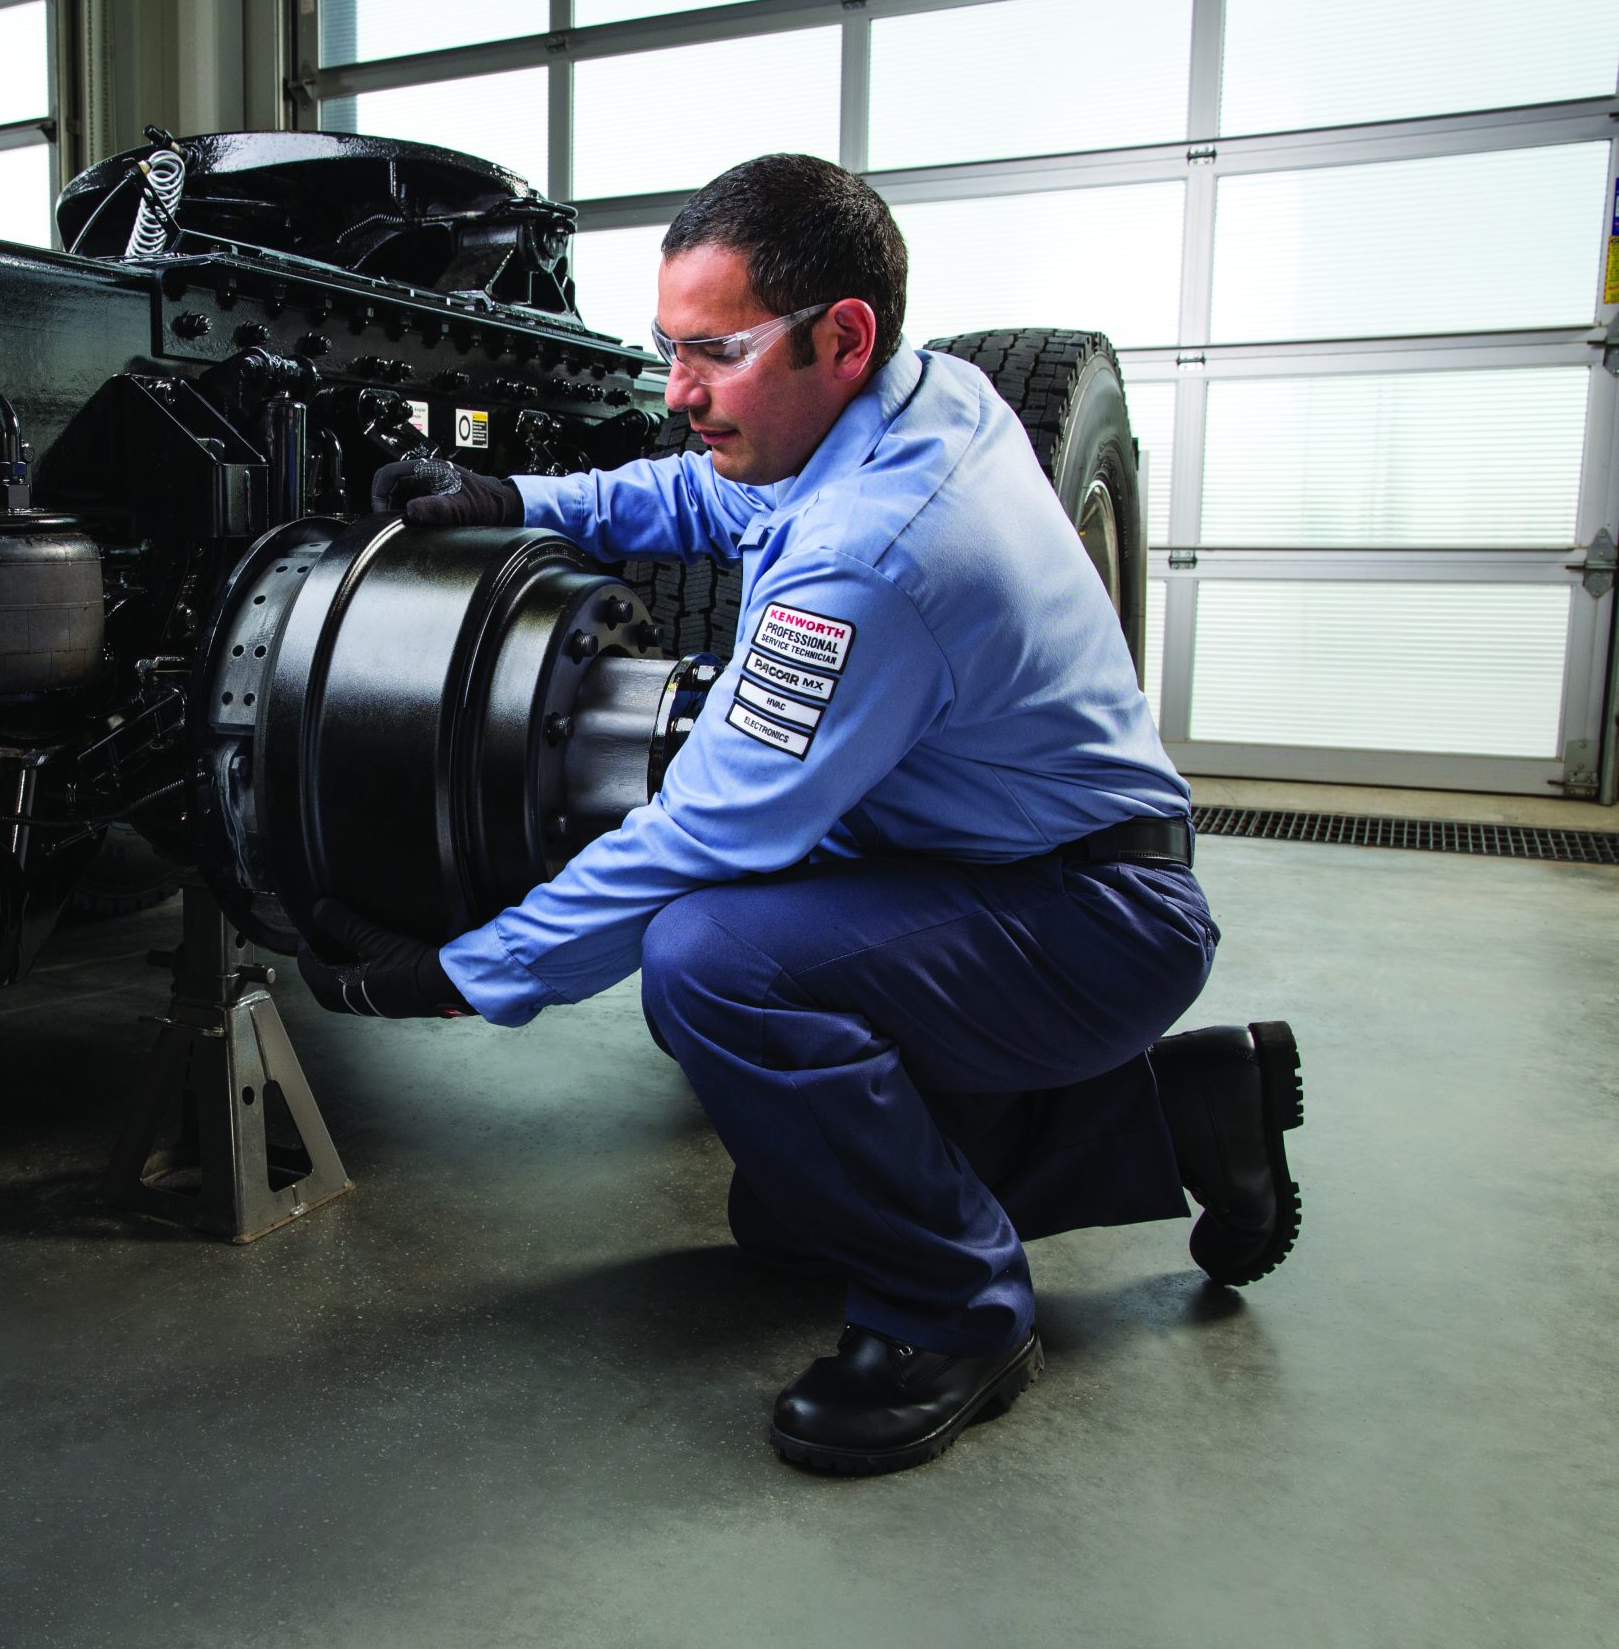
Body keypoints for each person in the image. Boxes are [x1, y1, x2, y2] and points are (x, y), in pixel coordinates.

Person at [303, 154, 1305, 1477]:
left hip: (1089, 916)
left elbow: (704, 839)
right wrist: (515, 499)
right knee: (784, 1219)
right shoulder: (912, 398)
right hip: (1012, 873)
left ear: (842, 336)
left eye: (712, 353)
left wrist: (462, 973)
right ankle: (1178, 1120)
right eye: (670, 350)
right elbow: (710, 492)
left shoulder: (874, 560)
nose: (678, 392)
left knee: (712, 962)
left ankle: (956, 1313)